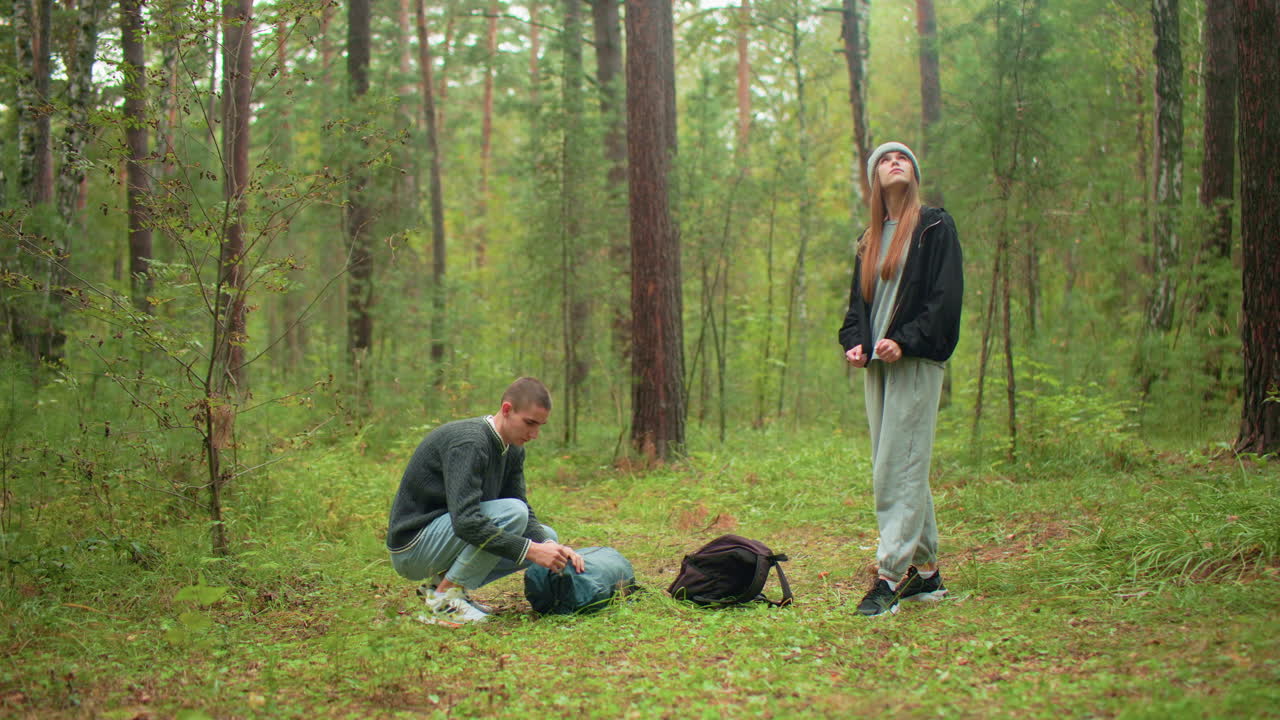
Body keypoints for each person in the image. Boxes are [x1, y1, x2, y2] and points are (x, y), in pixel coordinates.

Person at [838, 141, 963, 617]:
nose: (896, 162)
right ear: (875, 179)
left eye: (904, 158)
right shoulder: (868, 240)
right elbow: (858, 309)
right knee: (900, 463)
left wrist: (906, 340)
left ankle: (889, 576)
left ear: (913, 173)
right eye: (886, 159)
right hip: (880, 368)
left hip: (915, 360)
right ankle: (927, 577)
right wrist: (856, 342)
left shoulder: (934, 226)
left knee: (897, 467)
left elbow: (945, 297)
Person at [386, 377, 585, 625]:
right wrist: (531, 549)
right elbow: (467, 522)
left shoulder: (512, 449)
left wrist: (546, 546)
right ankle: (444, 600)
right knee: (514, 515)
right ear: (507, 409)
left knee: (547, 536)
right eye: (529, 423)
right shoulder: (470, 442)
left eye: (540, 426)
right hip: (413, 548)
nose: (534, 434)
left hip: (444, 539)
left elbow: (520, 506)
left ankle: (443, 585)